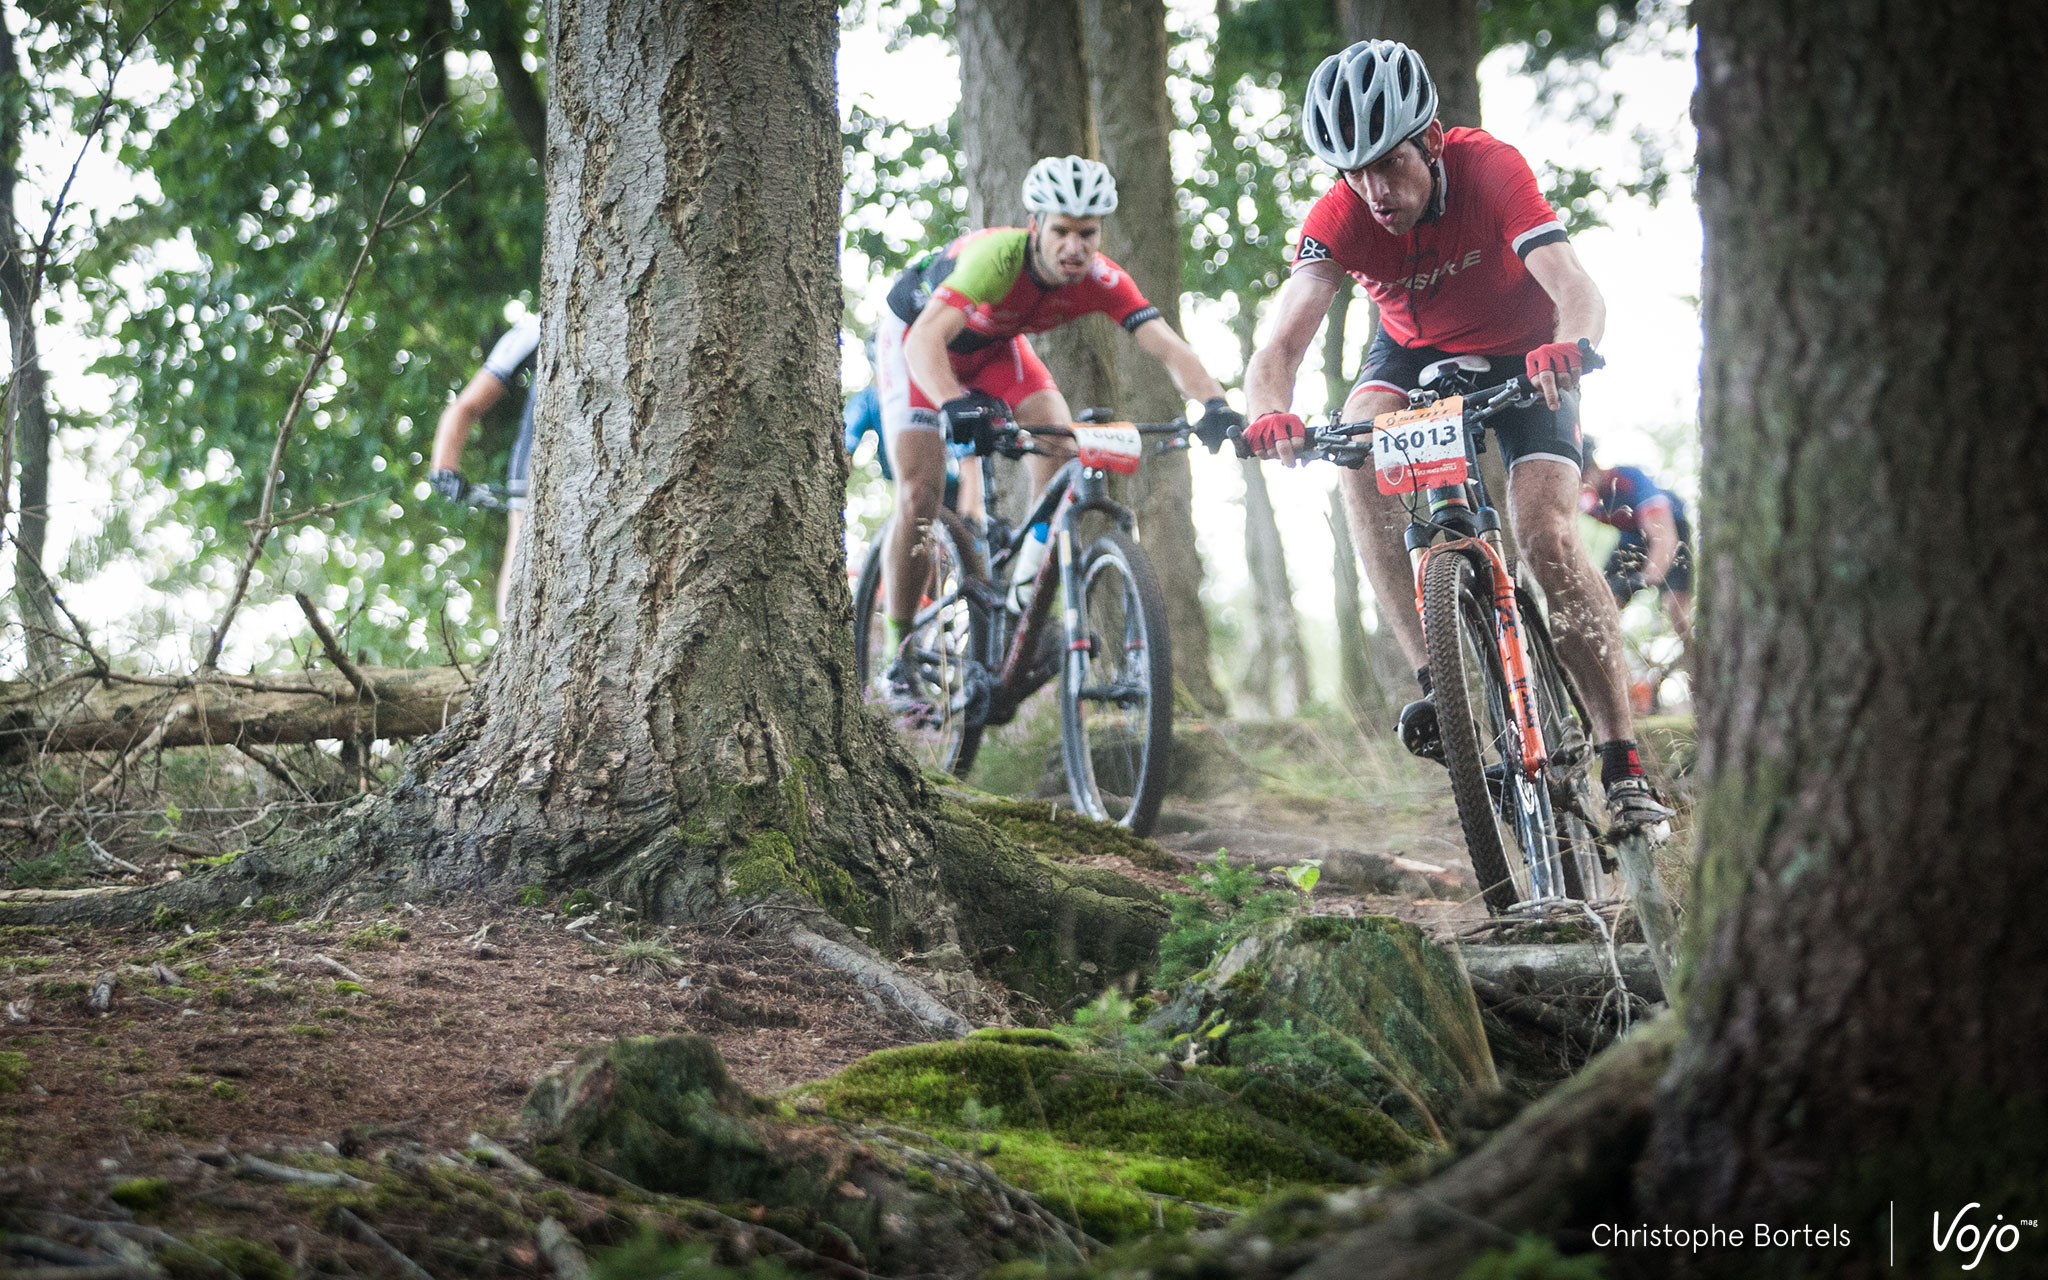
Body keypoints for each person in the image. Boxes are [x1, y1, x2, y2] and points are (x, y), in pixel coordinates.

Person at [1239, 40, 1671, 827]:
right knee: (1358, 457)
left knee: (1544, 536)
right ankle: (1436, 684)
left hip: (1526, 353)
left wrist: (1568, 347)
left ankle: (1622, 756)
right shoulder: (1338, 215)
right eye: (1352, 169)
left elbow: (1574, 287)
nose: (1372, 187)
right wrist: (1271, 411)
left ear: (1431, 142)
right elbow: (1281, 343)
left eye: (1389, 163)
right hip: (1412, 350)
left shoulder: (1490, 168)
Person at [874, 154, 1243, 706]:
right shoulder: (995, 259)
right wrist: (952, 402)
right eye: (1062, 231)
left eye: (1087, 233)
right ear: (1036, 227)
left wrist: (1215, 404)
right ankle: (897, 657)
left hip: (995, 350)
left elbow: (1166, 345)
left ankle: (1019, 594)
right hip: (918, 342)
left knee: (1061, 448)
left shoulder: (1100, 278)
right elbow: (925, 341)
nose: (1074, 247)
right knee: (921, 492)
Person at [427, 312, 538, 620]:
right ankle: (512, 639)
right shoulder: (535, 328)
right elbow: (467, 405)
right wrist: (443, 470)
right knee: (522, 539)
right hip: (536, 459)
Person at [1580, 440, 1695, 645]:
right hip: (1631, 539)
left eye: (1585, 472)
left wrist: (1647, 578)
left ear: (1595, 466)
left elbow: (1665, 539)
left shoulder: (1627, 481)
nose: (1583, 482)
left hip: (1669, 530)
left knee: (1676, 609)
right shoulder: (1585, 500)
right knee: (1605, 605)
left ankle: (1694, 659)